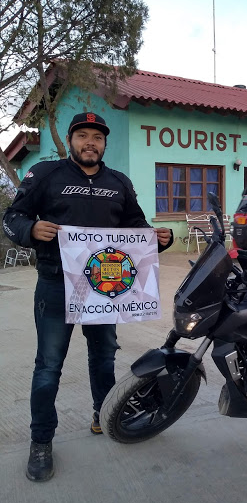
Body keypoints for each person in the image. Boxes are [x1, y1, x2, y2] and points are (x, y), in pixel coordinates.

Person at [2, 112, 173, 482]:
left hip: (105, 288)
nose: (90, 142)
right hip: (55, 284)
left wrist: (160, 238)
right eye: (83, 135)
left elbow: (136, 227)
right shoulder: (46, 174)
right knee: (48, 366)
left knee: (103, 356)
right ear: (70, 139)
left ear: (104, 144)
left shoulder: (119, 182)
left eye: (97, 136)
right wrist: (31, 229)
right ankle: (41, 441)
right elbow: (11, 217)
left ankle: (104, 414)